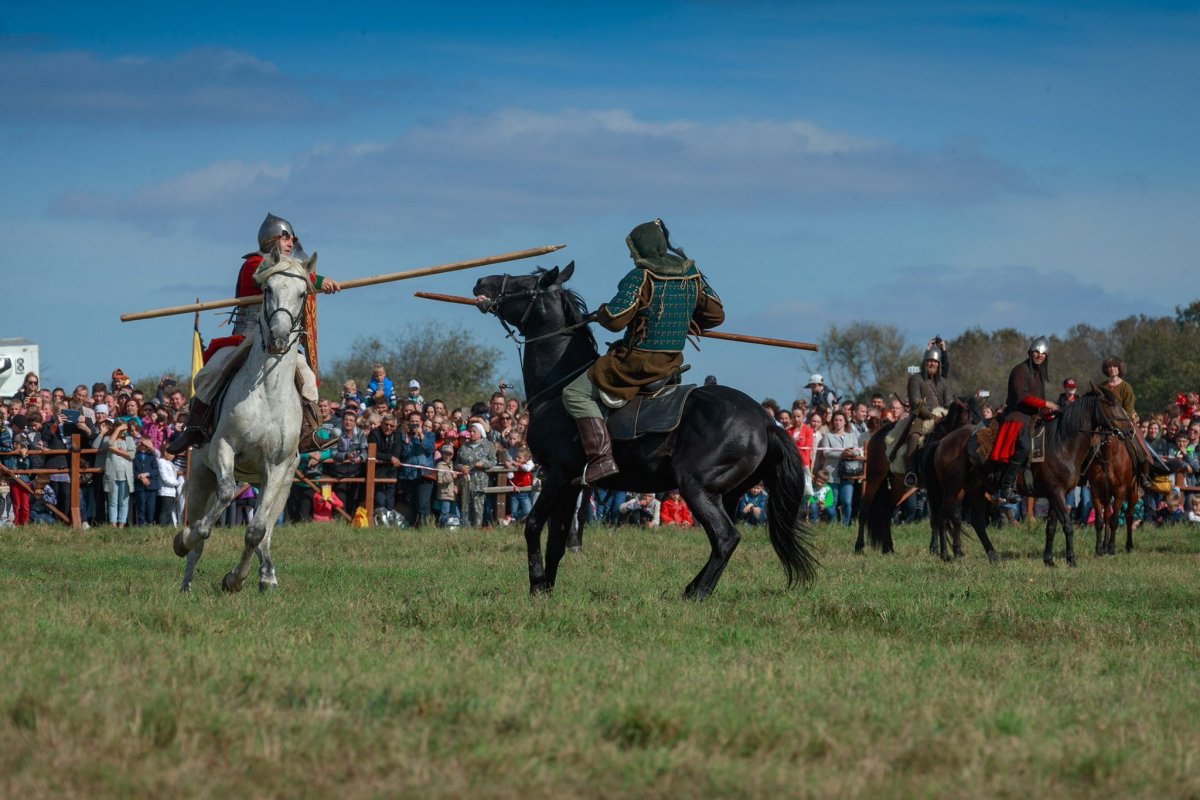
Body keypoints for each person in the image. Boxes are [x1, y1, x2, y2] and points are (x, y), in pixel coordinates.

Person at [560, 219, 724, 484]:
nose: (630, 255)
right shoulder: (692, 274)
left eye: (632, 249)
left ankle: (601, 459)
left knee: (574, 393)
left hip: (635, 364)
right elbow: (716, 315)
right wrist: (684, 319)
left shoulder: (642, 275)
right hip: (671, 362)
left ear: (641, 248)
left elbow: (615, 320)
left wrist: (601, 312)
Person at [166, 213, 341, 456]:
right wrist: (319, 280)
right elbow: (282, 275)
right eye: (286, 238)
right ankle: (195, 427)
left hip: (280, 340)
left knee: (307, 377)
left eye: (293, 239)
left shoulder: (291, 267)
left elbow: (296, 279)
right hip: (246, 337)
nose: (291, 243)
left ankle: (310, 430)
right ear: (271, 240)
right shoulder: (255, 263)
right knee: (213, 371)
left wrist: (315, 282)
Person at [991, 337, 1058, 504]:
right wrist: (1046, 403)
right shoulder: (1020, 370)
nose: (1040, 355)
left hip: (1034, 418)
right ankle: (1006, 487)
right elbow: (1023, 397)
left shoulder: (1039, 374)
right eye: (1037, 352)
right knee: (1025, 446)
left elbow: (1040, 404)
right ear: (1030, 352)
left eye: (1043, 354)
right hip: (1017, 416)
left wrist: (1051, 412)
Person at [1100, 355, 1170, 490]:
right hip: (1104, 425)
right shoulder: (1102, 386)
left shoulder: (1126, 387)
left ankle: (1144, 476)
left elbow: (1128, 409)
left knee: (1140, 448)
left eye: (1114, 366)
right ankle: (1083, 475)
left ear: (1119, 368)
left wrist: (1117, 422)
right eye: (1109, 367)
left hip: (1123, 423)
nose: (1112, 369)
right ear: (1106, 369)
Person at [902, 340, 953, 486]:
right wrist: (931, 417)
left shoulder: (944, 382)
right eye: (930, 361)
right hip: (921, 417)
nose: (932, 364)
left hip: (942, 417)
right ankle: (911, 472)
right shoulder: (915, 379)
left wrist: (945, 415)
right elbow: (916, 403)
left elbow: (949, 402)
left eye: (935, 362)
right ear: (924, 362)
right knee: (913, 436)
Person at [455, 422, 496, 527]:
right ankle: (466, 530)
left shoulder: (488, 445)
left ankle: (477, 530)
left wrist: (484, 464)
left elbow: (493, 461)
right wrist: (461, 468)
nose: (471, 434)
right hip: (465, 481)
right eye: (470, 431)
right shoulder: (464, 446)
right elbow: (456, 463)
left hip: (479, 481)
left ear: (480, 432)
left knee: (478, 507)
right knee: (465, 507)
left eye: (474, 431)